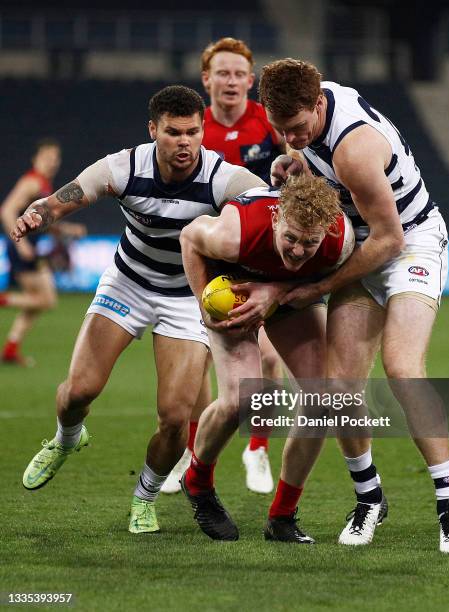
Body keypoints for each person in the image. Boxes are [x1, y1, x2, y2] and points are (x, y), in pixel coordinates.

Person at [14, 85, 266, 534]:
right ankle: (66, 439)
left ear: (203, 131)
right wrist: (39, 215)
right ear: (154, 131)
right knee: (78, 392)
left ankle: (144, 497)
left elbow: (269, 205)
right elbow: (67, 196)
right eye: (173, 133)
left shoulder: (222, 177)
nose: (184, 142)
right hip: (127, 283)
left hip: (187, 297)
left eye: (192, 132)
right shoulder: (123, 167)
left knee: (174, 416)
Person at [248, 58, 449, 553]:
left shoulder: (354, 148)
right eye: (281, 129)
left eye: (299, 127)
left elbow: (390, 238)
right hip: (363, 242)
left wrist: (318, 287)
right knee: (339, 388)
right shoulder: (308, 103)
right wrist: (297, 162)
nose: (292, 136)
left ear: (319, 104)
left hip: (409, 242)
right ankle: (369, 497)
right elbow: (314, 154)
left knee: (402, 368)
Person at [178, 173, 372, 542]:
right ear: (275, 219)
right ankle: (198, 482)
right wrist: (204, 302)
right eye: (291, 238)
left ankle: (282, 516)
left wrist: (276, 290)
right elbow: (189, 237)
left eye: (310, 242)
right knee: (242, 400)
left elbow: (330, 273)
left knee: (322, 401)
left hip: (290, 298)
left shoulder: (339, 241)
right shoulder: (236, 233)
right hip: (231, 289)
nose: (299, 250)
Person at [162, 37, 286, 496]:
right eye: (223, 73)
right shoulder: (191, 128)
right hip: (202, 255)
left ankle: (257, 447)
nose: (231, 80)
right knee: (197, 364)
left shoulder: (268, 122)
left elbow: (298, 167)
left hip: (259, 257)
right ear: (206, 79)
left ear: (250, 81)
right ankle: (190, 454)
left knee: (270, 358)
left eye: (239, 74)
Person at [0, 139, 85, 366]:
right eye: (47, 157)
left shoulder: (44, 185)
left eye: (55, 158)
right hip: (22, 246)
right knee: (46, 300)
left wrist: (66, 229)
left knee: (38, 302)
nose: (52, 162)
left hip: (30, 246)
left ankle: (10, 349)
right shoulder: (32, 182)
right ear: (36, 159)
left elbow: (43, 220)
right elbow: (6, 210)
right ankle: (3, 300)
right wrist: (20, 244)